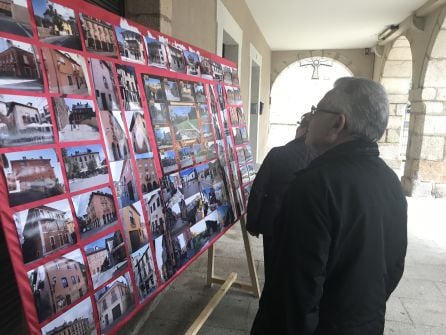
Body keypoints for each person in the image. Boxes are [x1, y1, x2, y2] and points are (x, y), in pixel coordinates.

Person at [251, 77, 407, 335]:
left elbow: (294, 294)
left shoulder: (315, 185)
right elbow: (393, 267)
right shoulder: (388, 179)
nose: (310, 119)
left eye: (317, 111)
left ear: (338, 123)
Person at [246, 113, 315, 277]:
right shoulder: (323, 159)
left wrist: (253, 223)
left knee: (272, 267)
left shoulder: (277, 154)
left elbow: (258, 190)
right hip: (307, 227)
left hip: (273, 223)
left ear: (303, 130)